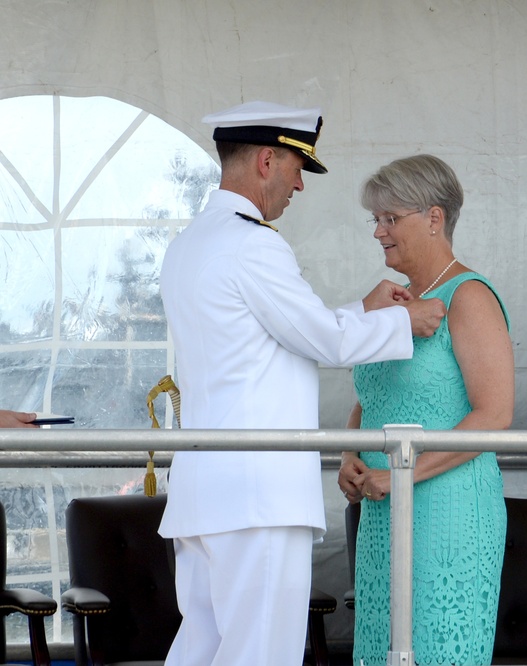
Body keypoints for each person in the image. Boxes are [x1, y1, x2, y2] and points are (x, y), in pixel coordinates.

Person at [158, 102, 446, 666]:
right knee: (259, 655)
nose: (299, 186)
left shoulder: (191, 243)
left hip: (205, 491)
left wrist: (362, 310)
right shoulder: (253, 243)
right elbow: (320, 340)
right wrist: (400, 321)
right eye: (297, 167)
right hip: (256, 497)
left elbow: (267, 339)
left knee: (199, 649)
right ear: (267, 160)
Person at [337, 154, 513, 666]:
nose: (378, 232)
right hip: (383, 508)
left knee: (437, 649)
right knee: (380, 650)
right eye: (376, 219)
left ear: (435, 219)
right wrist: (350, 454)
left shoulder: (470, 295)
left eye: (390, 219)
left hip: (448, 510)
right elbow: (371, 396)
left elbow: (495, 415)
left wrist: (403, 474)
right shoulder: (397, 300)